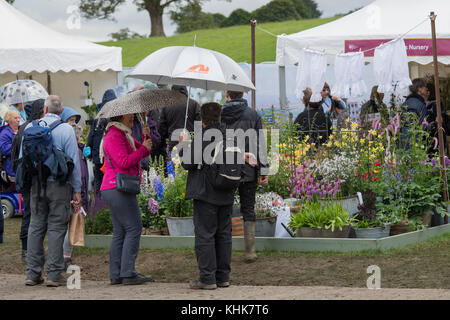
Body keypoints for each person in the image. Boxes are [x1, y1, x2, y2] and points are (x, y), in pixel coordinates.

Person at [180, 102, 256, 289]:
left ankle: (207, 278)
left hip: (206, 194)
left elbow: (187, 163)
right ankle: (223, 277)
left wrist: (183, 145)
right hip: (227, 192)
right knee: (224, 235)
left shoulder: (204, 137)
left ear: (202, 119)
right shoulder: (230, 135)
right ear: (220, 116)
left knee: (205, 235)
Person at [23, 95, 82, 287]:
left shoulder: (30, 128)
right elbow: (74, 161)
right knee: (57, 227)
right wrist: (77, 190)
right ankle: (54, 274)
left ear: (45, 110)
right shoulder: (66, 129)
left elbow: (23, 160)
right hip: (59, 185)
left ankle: (32, 273)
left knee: (36, 226)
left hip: (36, 185)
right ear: (62, 110)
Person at [100, 113, 152, 285]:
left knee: (120, 231)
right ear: (120, 117)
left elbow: (143, 148)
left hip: (115, 187)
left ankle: (117, 274)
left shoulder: (124, 134)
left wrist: (146, 136)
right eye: (130, 117)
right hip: (117, 187)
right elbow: (123, 162)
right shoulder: (114, 135)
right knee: (134, 227)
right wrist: (144, 148)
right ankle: (127, 273)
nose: (132, 119)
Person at [220, 90, 268, 263]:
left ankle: (224, 249)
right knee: (248, 208)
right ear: (242, 92)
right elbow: (260, 143)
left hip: (226, 169)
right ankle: (250, 251)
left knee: (224, 209)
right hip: (249, 168)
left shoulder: (220, 114)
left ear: (227, 94)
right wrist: (264, 170)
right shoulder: (253, 114)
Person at [12, 99, 46, 262]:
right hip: (32, 176)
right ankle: (28, 249)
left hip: (24, 175)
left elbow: (14, 154)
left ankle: (27, 249)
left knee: (30, 213)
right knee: (32, 213)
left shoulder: (22, 128)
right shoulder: (32, 127)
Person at [60, 108, 89, 270]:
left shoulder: (79, 148)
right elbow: (75, 172)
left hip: (78, 191)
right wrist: (76, 194)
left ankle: (65, 256)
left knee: (72, 224)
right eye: (70, 121)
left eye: (75, 121)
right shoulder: (72, 150)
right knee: (69, 225)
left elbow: (83, 173)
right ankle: (64, 257)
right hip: (72, 193)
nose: (75, 125)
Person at [86, 89, 116, 195]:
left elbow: (90, 138)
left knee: (99, 182)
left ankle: (99, 205)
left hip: (98, 157)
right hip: (111, 157)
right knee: (111, 182)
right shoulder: (116, 118)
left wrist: (89, 153)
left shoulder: (97, 119)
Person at [159, 85, 201, 154]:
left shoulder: (166, 106)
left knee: (174, 164)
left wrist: (164, 142)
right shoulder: (194, 104)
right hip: (190, 146)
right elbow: (199, 126)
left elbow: (162, 128)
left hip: (173, 144)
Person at [0, 110, 21, 184]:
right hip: (11, 167)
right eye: (15, 118)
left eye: (19, 117)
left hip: (22, 165)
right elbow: (4, 149)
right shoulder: (4, 133)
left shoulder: (22, 129)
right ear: (9, 119)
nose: (18, 120)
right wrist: (19, 145)